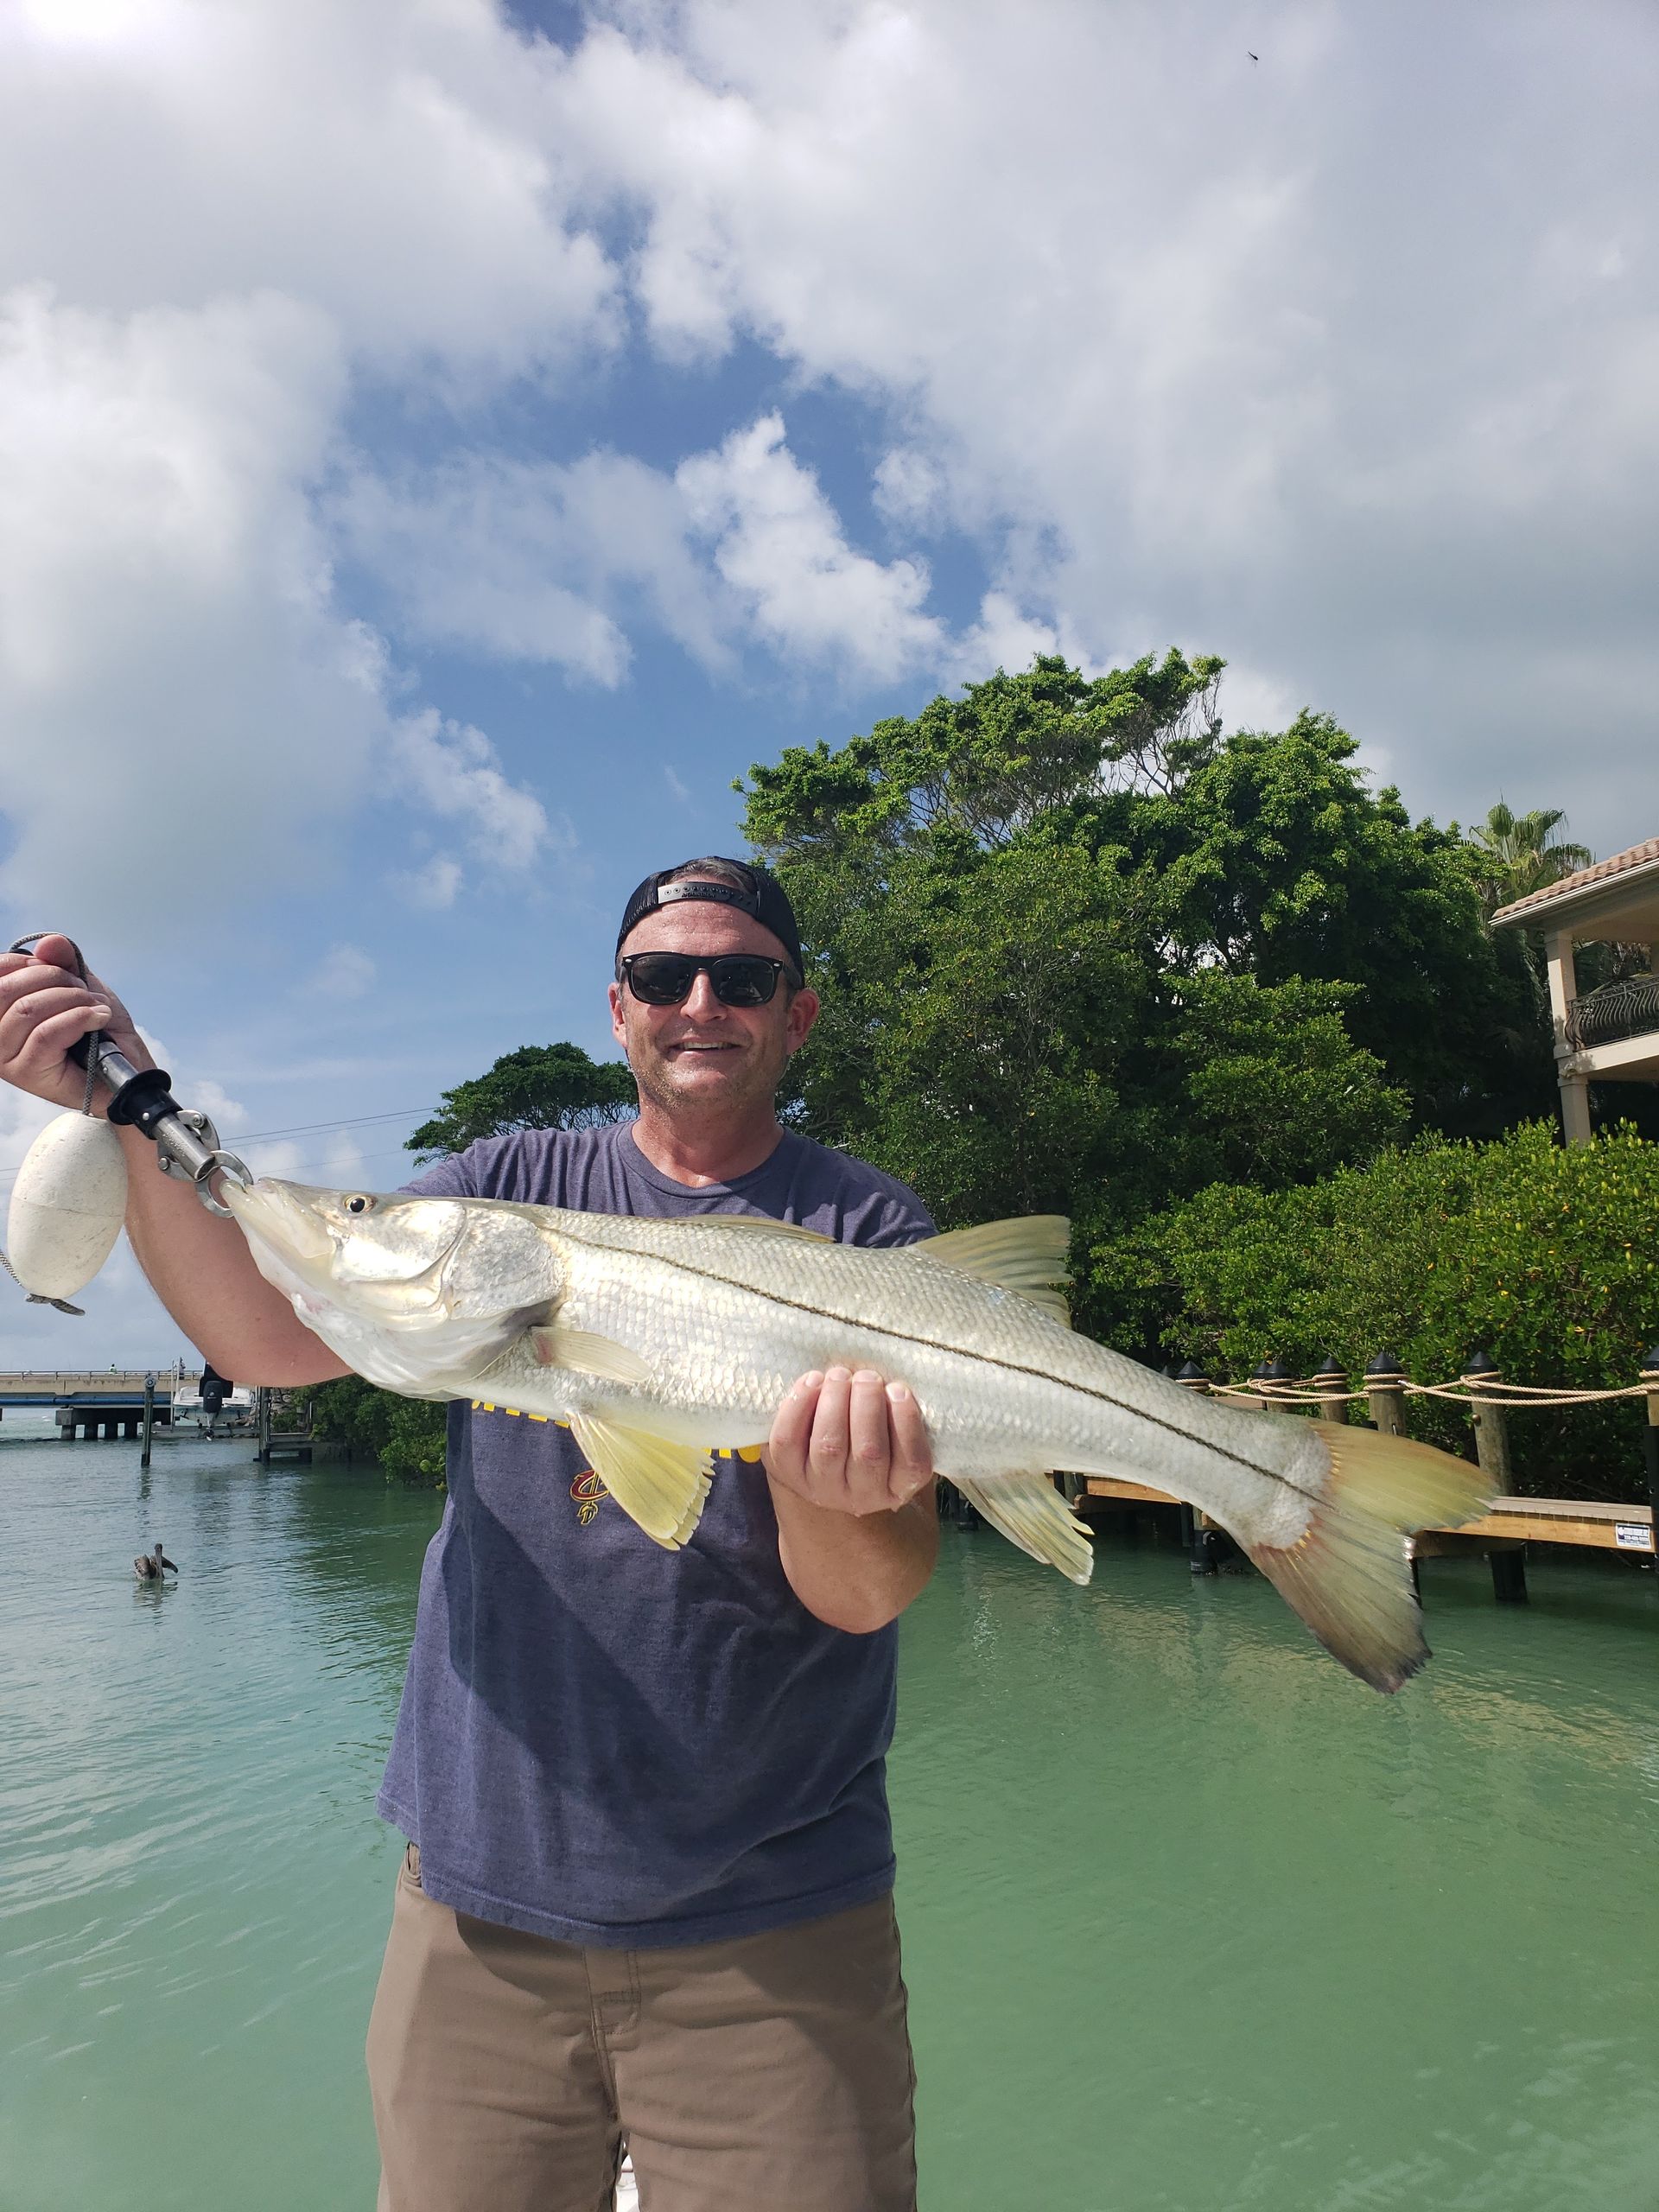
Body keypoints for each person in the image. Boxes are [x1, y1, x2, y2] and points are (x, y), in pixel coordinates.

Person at [0, 860, 938, 2212]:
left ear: (797, 1016)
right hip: (475, 1914)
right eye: (664, 978)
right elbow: (266, 1329)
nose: (700, 1002)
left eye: (743, 978)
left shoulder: (867, 1228)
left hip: (776, 1931)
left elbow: (865, 1596)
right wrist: (125, 1099)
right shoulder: (510, 1184)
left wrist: (829, 1487)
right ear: (618, 1011)